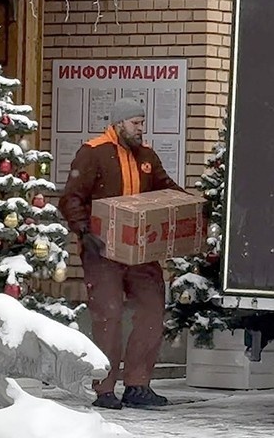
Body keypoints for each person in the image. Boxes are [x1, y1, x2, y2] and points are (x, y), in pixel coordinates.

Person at [60, 97, 185, 410]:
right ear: (118, 124)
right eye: (135, 123)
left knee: (152, 310)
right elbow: (72, 197)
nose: (141, 129)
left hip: (141, 251)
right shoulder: (93, 153)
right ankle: (103, 388)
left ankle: (138, 385)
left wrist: (190, 206)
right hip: (102, 251)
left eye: (142, 122)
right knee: (109, 315)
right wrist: (84, 232)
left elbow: (166, 189)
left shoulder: (146, 156)